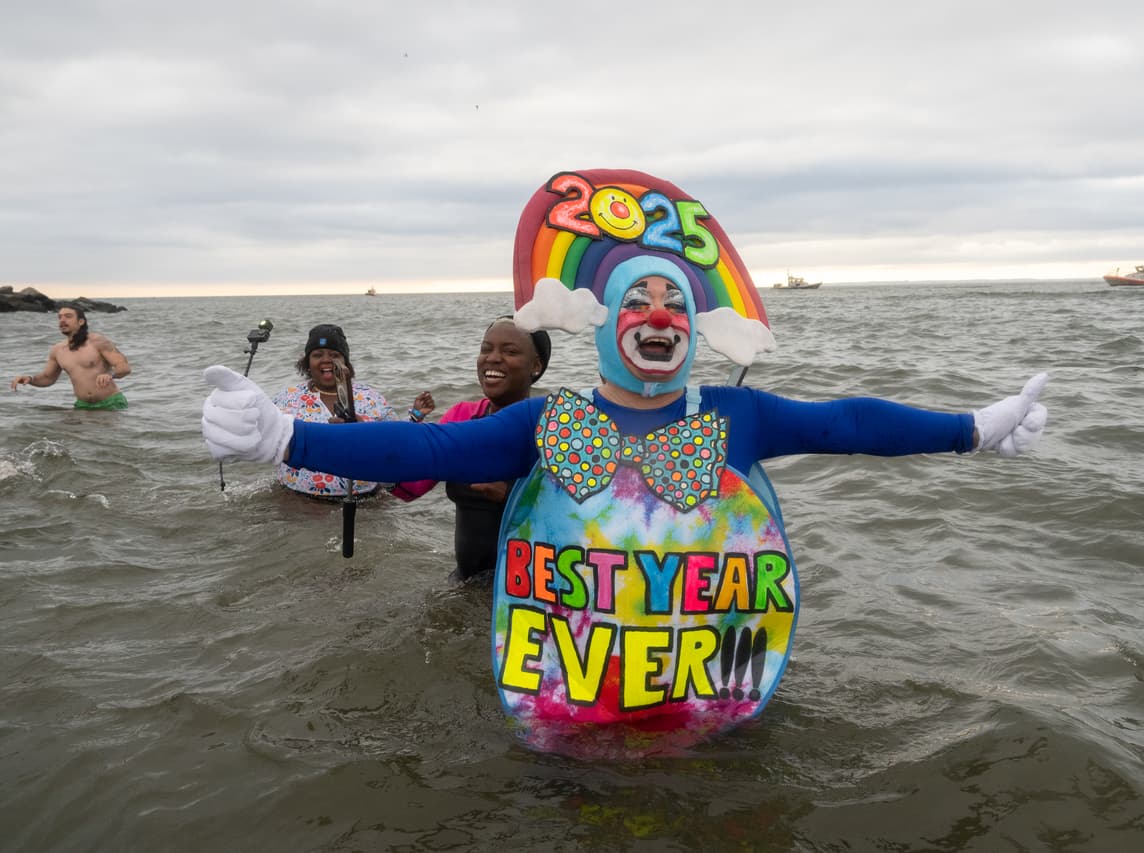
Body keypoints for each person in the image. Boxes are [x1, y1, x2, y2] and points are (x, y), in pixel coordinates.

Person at [201, 169, 1050, 755]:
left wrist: (971, 428)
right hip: (568, 700)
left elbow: (850, 423)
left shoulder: (733, 414)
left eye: (675, 301)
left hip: (713, 691)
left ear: (696, 325)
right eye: (637, 300)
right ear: (603, 322)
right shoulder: (548, 421)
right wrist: (287, 438)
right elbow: (427, 446)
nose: (658, 314)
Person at [391, 316, 552, 581]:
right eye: (486, 349)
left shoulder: (553, 427)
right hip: (465, 583)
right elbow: (413, 486)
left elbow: (578, 517)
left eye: (510, 351)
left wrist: (511, 496)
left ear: (536, 365)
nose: (493, 358)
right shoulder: (462, 416)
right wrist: (371, 458)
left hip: (528, 591)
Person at [271, 323, 396, 497]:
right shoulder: (285, 399)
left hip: (367, 501)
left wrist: (363, 429)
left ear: (346, 362)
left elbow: (396, 446)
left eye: (335, 355)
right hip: (298, 501)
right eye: (317, 354)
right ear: (307, 363)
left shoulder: (372, 398)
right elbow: (265, 441)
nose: (326, 360)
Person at [10, 305, 131, 409]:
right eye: (60, 317)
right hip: (82, 406)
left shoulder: (98, 341)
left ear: (81, 322)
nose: (62, 320)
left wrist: (111, 375)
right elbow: (48, 378)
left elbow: (124, 367)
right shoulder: (57, 350)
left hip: (111, 404)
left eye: (68, 316)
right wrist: (30, 379)